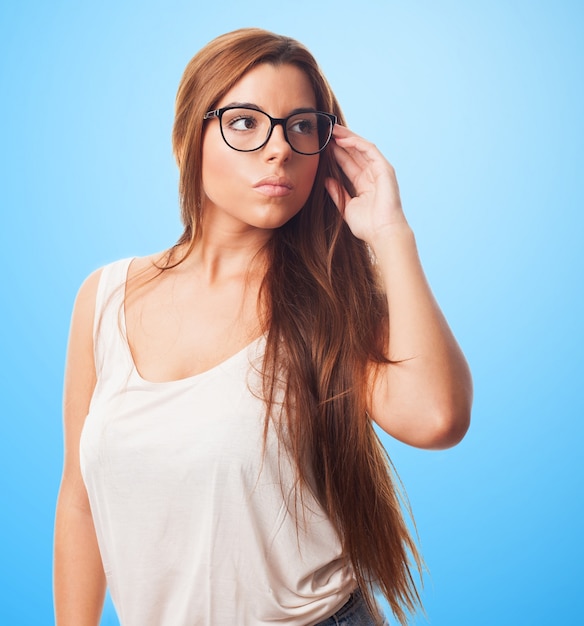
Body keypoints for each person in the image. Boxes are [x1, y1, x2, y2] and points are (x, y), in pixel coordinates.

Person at [53, 27, 472, 626]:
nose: (279, 148)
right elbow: (80, 498)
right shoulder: (104, 296)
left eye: (302, 126)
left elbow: (437, 419)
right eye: (246, 122)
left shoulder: (329, 301)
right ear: (188, 136)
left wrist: (389, 232)